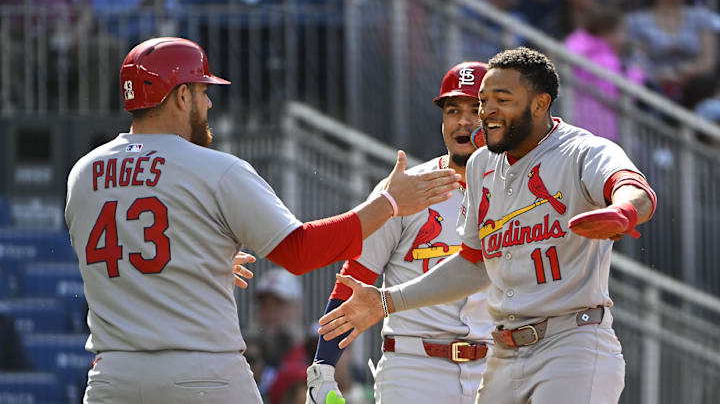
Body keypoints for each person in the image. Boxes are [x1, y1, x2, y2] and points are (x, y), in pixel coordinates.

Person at [64, 37, 460, 404]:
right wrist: (388, 204)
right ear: (181, 95)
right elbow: (300, 252)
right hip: (201, 374)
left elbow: (122, 253)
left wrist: (198, 258)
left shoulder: (82, 173)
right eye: (203, 92)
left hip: (111, 377)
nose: (209, 104)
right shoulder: (215, 169)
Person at [317, 47, 657, 404]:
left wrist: (624, 212)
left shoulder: (581, 151)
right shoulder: (480, 167)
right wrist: (383, 304)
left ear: (540, 104)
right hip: (489, 356)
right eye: (481, 101)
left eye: (501, 99)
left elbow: (634, 188)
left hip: (569, 341)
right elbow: (472, 264)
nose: (483, 113)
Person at [305, 62, 494, 404]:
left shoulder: (516, 192)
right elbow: (356, 277)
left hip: (494, 369)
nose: (463, 121)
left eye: (475, 110)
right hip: (414, 368)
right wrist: (323, 367)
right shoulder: (406, 189)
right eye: (453, 110)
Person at [564, 5, 645, 143]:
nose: (624, 39)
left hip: (580, 123)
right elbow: (615, 94)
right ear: (606, 33)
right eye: (621, 32)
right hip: (603, 130)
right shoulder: (605, 59)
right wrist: (636, 75)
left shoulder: (579, 48)